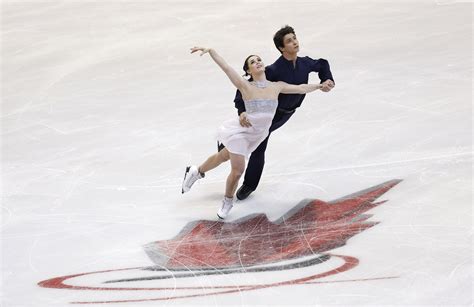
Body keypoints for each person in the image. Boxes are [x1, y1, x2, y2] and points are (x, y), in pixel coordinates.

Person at [182, 46, 323, 219]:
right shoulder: (245, 86)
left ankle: (196, 171)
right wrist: (211, 51)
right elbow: (226, 68)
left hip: (258, 135)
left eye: (258, 60)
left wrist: (319, 86)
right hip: (242, 133)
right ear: (248, 70)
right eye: (252, 62)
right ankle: (227, 202)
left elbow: (300, 88)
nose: (257, 62)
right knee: (238, 171)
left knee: (223, 156)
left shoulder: (277, 86)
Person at [231, 25, 335, 200]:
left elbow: (322, 63)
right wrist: (241, 111)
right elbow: (245, 87)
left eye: (294, 38)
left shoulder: (304, 63)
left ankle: (228, 148)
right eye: (289, 41)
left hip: (287, 114)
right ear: (281, 48)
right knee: (258, 146)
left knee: (254, 142)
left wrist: (327, 79)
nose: (294, 42)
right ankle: (247, 182)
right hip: (268, 114)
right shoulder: (273, 70)